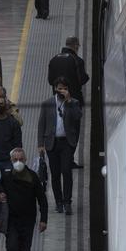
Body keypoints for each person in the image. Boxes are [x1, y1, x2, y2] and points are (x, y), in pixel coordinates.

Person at [0, 148, 48, 251]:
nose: (18, 162)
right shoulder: (6, 177)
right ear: (11, 161)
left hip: (28, 221)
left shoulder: (33, 177)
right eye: (15, 160)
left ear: (25, 160)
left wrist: (43, 219)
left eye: (21, 159)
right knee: (11, 249)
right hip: (12, 221)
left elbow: (42, 199)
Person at [38, 79, 82, 215]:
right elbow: (41, 124)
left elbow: (77, 118)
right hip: (52, 143)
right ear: (55, 89)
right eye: (59, 88)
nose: (62, 90)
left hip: (67, 143)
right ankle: (59, 202)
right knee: (55, 174)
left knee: (66, 171)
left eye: (64, 88)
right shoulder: (47, 104)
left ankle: (68, 202)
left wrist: (68, 102)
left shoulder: (73, 103)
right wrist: (40, 144)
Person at [47, 36, 90, 104]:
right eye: (78, 46)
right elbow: (82, 80)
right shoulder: (78, 61)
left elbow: (50, 81)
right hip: (74, 100)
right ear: (75, 46)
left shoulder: (53, 60)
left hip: (58, 100)